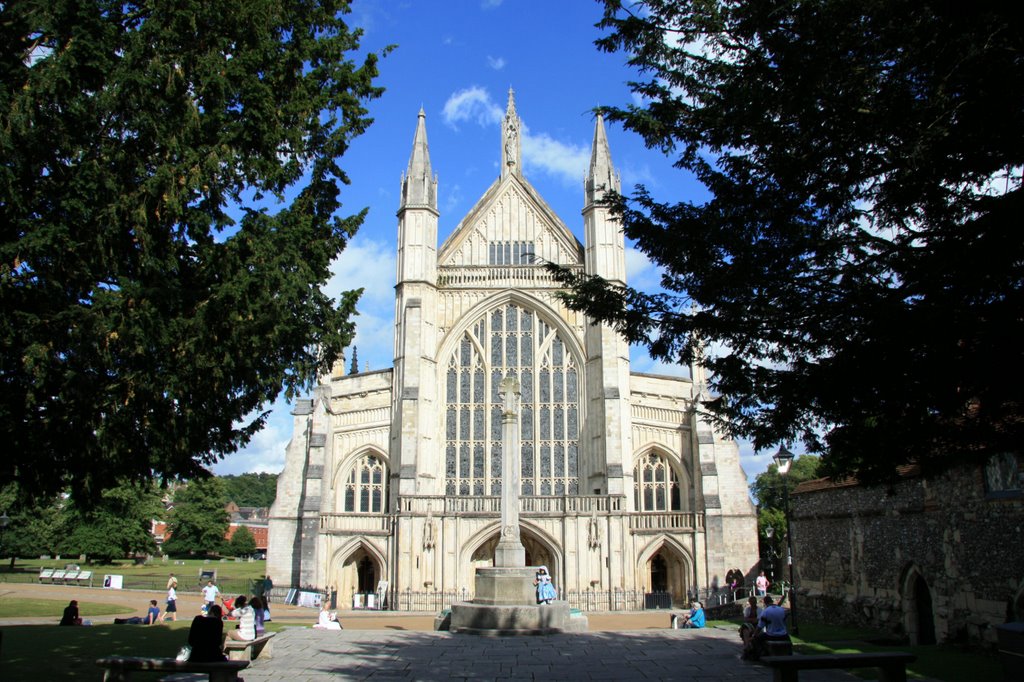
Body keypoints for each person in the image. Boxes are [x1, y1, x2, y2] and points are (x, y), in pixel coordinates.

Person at [749, 593, 790, 660]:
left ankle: (760, 655)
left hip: (771, 635)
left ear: (765, 603)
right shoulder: (781, 610)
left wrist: (753, 636)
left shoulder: (765, 612)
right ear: (772, 601)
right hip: (783, 635)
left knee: (757, 639)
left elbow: (759, 627)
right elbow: (784, 620)